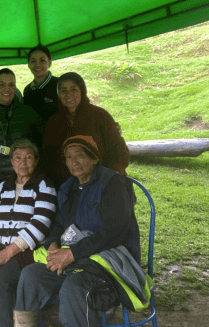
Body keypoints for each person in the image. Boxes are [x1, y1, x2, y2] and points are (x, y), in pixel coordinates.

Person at [15, 136, 140, 327]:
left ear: (94, 158)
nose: (74, 162)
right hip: (72, 259)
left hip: (105, 262)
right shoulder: (68, 187)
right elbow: (56, 224)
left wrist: (72, 253)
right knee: (31, 275)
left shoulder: (111, 183)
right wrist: (54, 246)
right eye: (69, 157)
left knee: (74, 286)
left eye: (80, 155)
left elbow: (113, 232)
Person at [0, 139, 56, 327]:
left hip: (23, 252)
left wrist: (7, 253)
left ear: (36, 160)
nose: (22, 162)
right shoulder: (2, 187)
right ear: (11, 161)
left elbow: (40, 225)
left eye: (28, 157)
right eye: (17, 157)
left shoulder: (44, 186)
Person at [41, 72, 129, 186]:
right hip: (67, 185)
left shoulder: (100, 116)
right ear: (58, 94)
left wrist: (111, 175)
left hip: (102, 180)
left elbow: (119, 150)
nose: (69, 95)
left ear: (82, 91)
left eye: (74, 90)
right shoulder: (54, 122)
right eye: (63, 91)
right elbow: (48, 157)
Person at [0, 68, 44, 185]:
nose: (7, 89)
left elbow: (42, 144)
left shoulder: (27, 112)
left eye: (11, 85)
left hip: (29, 178)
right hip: (4, 179)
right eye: (2, 85)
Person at [23, 45, 59, 123]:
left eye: (42, 60)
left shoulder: (59, 84)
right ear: (28, 64)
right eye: (33, 61)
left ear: (49, 63)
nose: (37, 65)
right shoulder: (27, 90)